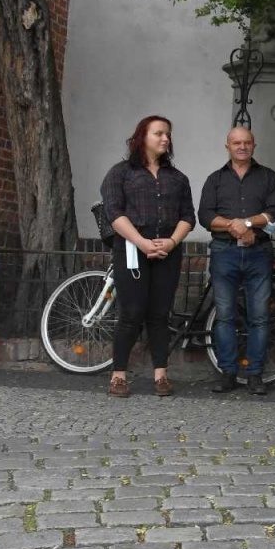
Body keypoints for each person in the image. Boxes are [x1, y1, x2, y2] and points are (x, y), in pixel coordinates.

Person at [99, 115, 195, 398]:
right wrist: (141, 242)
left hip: (168, 252)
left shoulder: (178, 178)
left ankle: (161, 375)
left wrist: (172, 241)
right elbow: (114, 212)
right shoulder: (121, 173)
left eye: (168, 134)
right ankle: (118, 376)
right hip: (131, 249)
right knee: (131, 313)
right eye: (159, 133)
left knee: (159, 314)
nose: (165, 139)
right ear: (142, 137)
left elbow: (188, 216)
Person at [198, 126, 275, 396]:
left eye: (247, 142)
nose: (242, 147)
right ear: (228, 147)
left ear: (254, 145)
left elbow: (274, 213)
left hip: (259, 252)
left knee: (259, 316)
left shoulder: (269, 177)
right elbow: (205, 216)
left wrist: (246, 223)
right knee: (225, 315)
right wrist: (235, 227)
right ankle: (228, 373)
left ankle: (255, 375)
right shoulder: (215, 179)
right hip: (224, 252)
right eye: (236, 143)